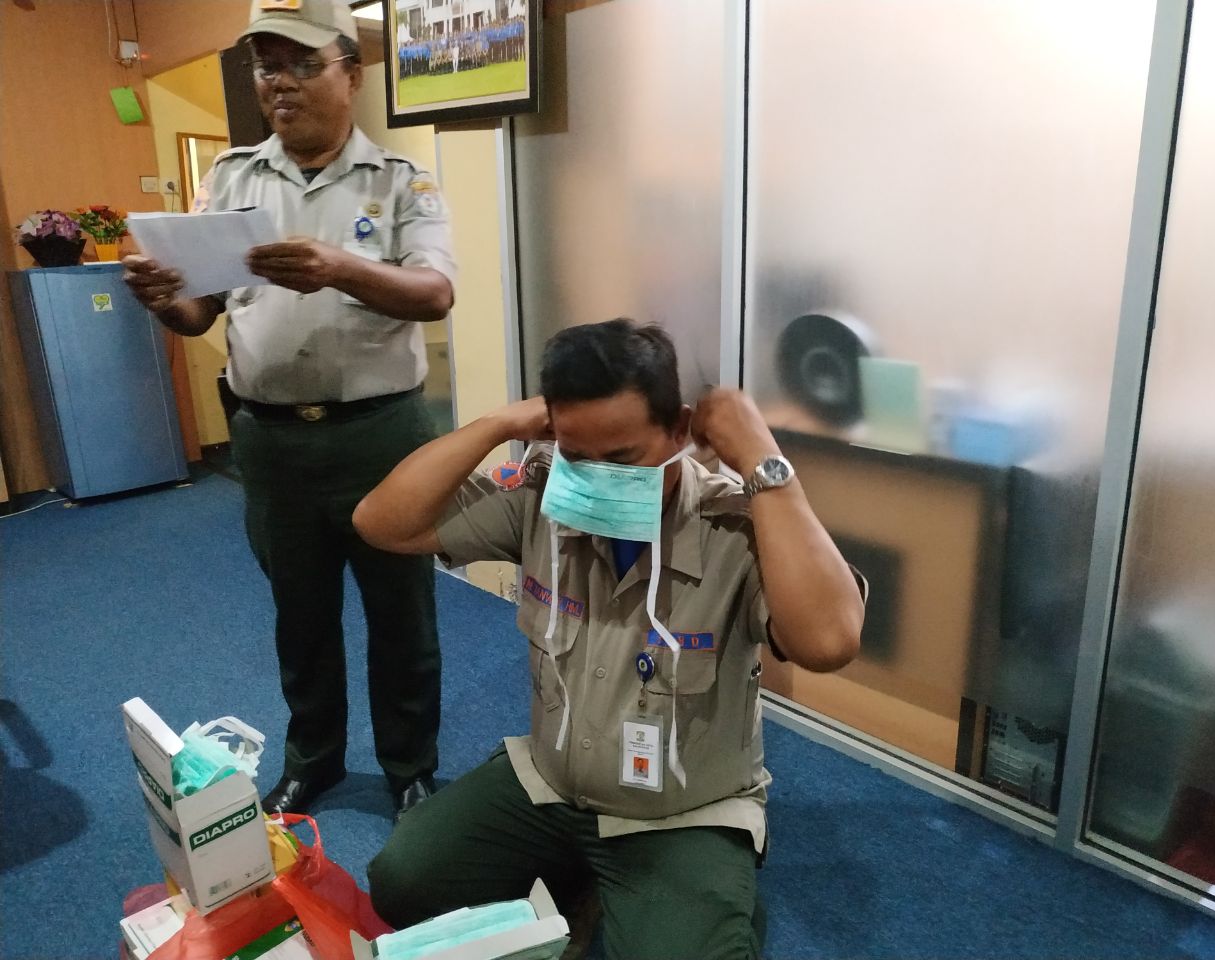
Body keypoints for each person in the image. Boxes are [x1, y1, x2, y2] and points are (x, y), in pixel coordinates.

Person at [353, 319, 866, 958]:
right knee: (402, 883)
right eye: (577, 455)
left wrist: (762, 458)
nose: (597, 478)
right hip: (552, 784)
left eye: (622, 459)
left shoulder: (734, 523)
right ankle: (591, 880)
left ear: (678, 430)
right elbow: (382, 524)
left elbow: (828, 641)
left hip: (678, 811)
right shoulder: (545, 499)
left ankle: (709, 893)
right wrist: (499, 425)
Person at [122, 0, 457, 822]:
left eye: (304, 64)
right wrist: (165, 300)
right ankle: (315, 760)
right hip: (271, 441)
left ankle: (410, 766)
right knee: (300, 617)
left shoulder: (400, 179)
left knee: (401, 614)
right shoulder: (232, 178)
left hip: (383, 436)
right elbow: (202, 312)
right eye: (267, 66)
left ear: (353, 73)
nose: (281, 83)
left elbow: (434, 292)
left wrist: (340, 268)